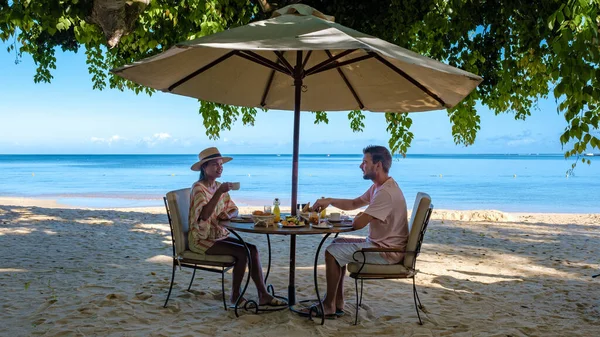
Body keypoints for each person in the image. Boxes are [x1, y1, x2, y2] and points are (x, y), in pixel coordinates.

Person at [311, 145, 408, 318]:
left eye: (365, 162)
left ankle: (328, 305)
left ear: (377, 165)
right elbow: (355, 204)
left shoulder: (385, 193)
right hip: (381, 245)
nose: (360, 166)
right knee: (336, 244)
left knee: (331, 253)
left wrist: (362, 215)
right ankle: (337, 302)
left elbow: (357, 225)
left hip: (386, 251)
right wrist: (330, 201)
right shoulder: (380, 186)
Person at [188, 147, 286, 308]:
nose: (220, 167)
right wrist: (219, 193)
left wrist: (229, 215)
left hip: (218, 234)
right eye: (215, 165)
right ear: (204, 168)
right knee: (242, 253)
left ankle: (263, 294)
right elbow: (204, 216)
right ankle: (235, 296)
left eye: (221, 164)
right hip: (201, 239)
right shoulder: (199, 188)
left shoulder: (219, 186)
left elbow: (234, 209)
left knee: (252, 249)